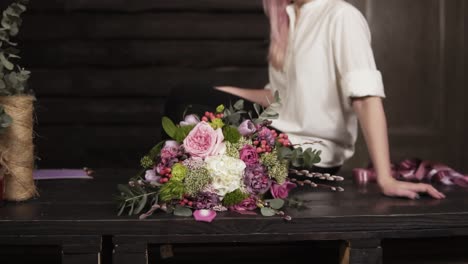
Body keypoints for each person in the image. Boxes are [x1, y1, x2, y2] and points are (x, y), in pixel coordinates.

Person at [215, 0, 445, 200]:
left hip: (310, 154)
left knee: (216, 161)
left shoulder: (341, 16)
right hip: (275, 133)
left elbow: (365, 99)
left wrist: (386, 178)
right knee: (187, 94)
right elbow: (279, 98)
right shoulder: (287, 18)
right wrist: (222, 92)